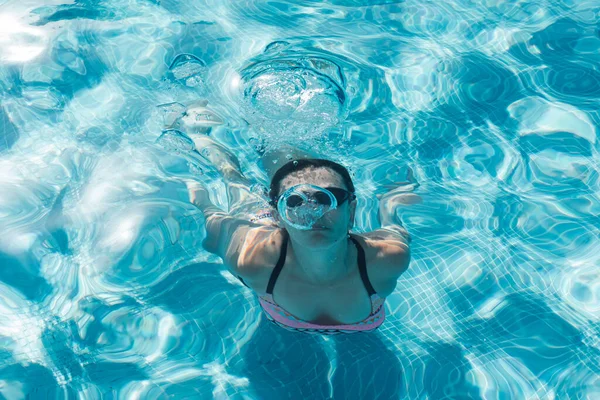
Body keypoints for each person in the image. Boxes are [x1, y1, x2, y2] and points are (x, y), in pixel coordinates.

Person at [183, 127, 412, 335]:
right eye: (294, 201)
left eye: (327, 197)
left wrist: (389, 206)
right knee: (234, 181)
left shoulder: (388, 258)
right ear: (278, 215)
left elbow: (395, 231)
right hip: (265, 229)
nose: (313, 213)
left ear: (351, 212)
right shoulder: (251, 258)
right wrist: (204, 203)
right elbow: (216, 230)